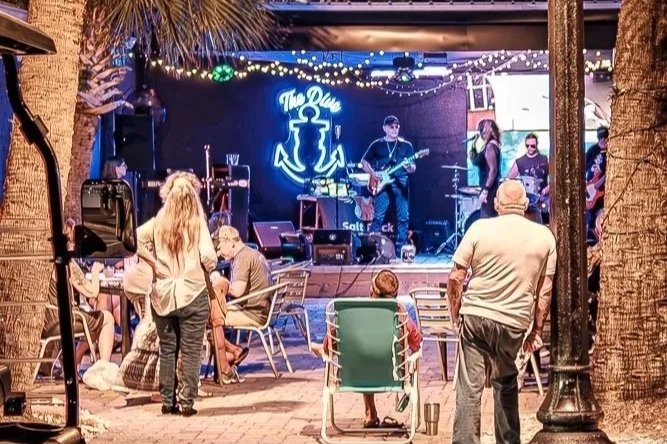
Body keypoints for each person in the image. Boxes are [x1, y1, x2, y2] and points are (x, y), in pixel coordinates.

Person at [447, 180, 557, 444]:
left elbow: (455, 277)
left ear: (496, 204)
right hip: (513, 322)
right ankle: (508, 441)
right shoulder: (545, 237)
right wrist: (536, 330)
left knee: (469, 388)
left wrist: (455, 314)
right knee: (506, 382)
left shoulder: (479, 228)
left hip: (476, 317)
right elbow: (545, 291)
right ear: (526, 204)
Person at [136, 171, 217, 417]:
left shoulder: (158, 223)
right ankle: (187, 403)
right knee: (191, 351)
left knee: (167, 349)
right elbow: (209, 257)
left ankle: (167, 401)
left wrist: (154, 263)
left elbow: (133, 238)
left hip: (163, 295)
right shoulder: (197, 224)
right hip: (192, 293)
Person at [311, 269, 422, 428]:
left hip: (353, 374)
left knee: (361, 352)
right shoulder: (401, 317)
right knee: (376, 353)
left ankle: (370, 413)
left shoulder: (351, 315)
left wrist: (326, 349)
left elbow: (332, 340)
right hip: (394, 376)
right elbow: (417, 344)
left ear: (371, 292)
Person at [41, 220, 115, 373]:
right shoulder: (67, 263)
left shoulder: (44, 262)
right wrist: (96, 271)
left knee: (92, 319)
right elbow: (92, 292)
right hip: (64, 321)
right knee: (107, 318)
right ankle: (103, 369)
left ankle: (76, 359)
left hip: (47, 322)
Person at [361, 115, 416, 254]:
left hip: (401, 182)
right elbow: (364, 162)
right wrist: (374, 174)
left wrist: (409, 166)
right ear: (384, 128)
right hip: (382, 183)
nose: (394, 129)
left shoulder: (406, 146)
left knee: (403, 217)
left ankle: (400, 250)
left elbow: (413, 168)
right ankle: (372, 249)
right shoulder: (377, 144)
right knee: (378, 216)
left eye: (397, 127)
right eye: (391, 127)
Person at [214, 226, 274, 327]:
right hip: (261, 312)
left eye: (219, 248)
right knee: (215, 311)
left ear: (230, 242)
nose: (218, 253)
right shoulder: (251, 253)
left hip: (252, 315)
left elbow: (237, 291)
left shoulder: (242, 258)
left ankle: (219, 337)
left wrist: (219, 281)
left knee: (211, 316)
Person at [507, 133, 550, 223]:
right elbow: (509, 179)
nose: (530, 148)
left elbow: (555, 179)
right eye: (527, 146)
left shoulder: (545, 160)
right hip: (526, 201)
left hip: (542, 199)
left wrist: (548, 188)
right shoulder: (520, 161)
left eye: (532, 146)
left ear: (537, 145)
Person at [470, 119, 502, 218]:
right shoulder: (491, 145)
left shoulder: (490, 146)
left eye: (482, 130)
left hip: (490, 189)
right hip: (490, 188)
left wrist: (486, 190)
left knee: (487, 218)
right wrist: (473, 145)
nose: (481, 133)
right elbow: (475, 161)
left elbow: (493, 170)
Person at [584, 126, 608, 243]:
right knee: (591, 216)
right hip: (591, 191)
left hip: (604, 191)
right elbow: (582, 168)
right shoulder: (592, 150)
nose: (603, 140)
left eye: (605, 137)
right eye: (600, 138)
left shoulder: (611, 152)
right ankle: (591, 239)